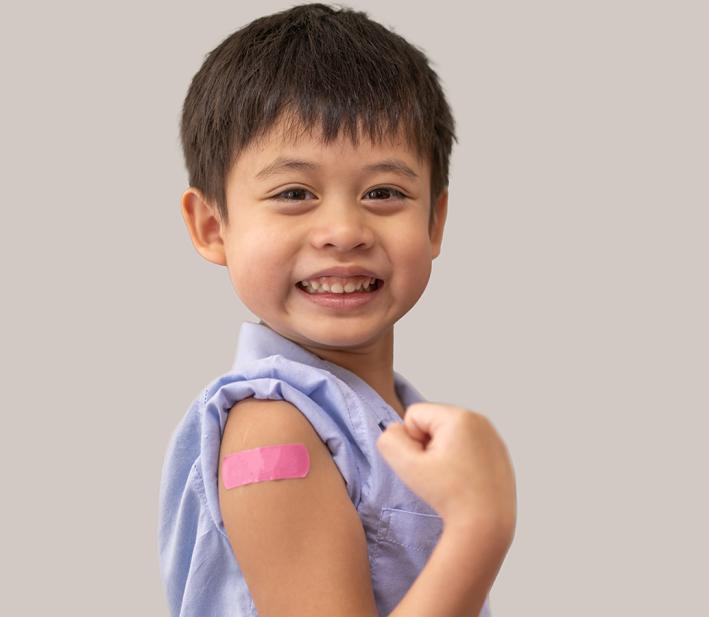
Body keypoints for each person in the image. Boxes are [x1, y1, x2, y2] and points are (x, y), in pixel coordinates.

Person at [157, 4, 517, 616]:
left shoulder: (392, 418)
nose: (344, 230)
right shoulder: (272, 428)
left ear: (434, 221)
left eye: (384, 192)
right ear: (213, 226)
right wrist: (481, 525)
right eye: (294, 193)